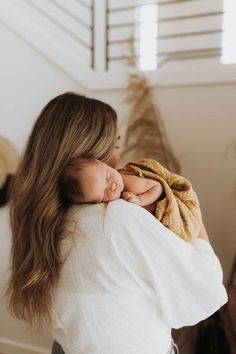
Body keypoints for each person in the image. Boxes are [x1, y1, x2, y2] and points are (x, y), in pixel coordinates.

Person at [6, 92, 228, 354]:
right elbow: (205, 291)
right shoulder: (118, 219)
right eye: (114, 147)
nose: (116, 159)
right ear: (88, 152)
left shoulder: (41, 221)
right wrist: (192, 208)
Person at [60, 157, 201, 242]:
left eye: (108, 177)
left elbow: (157, 187)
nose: (113, 187)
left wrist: (140, 199)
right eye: (103, 194)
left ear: (102, 163)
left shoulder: (129, 182)